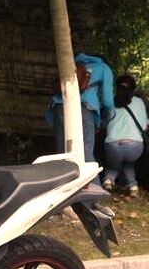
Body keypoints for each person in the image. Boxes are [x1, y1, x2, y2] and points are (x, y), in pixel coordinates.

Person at [45, 53, 116, 185]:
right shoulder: (104, 68)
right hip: (83, 108)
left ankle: (65, 190)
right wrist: (108, 116)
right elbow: (107, 101)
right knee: (85, 150)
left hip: (59, 106)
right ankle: (94, 189)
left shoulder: (70, 64)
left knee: (64, 152)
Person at [102, 74, 149, 196]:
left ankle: (108, 181)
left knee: (113, 164)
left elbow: (104, 124)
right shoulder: (139, 102)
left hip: (112, 146)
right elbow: (144, 126)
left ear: (116, 87)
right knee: (129, 163)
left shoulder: (110, 102)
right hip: (135, 147)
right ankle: (133, 186)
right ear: (133, 89)